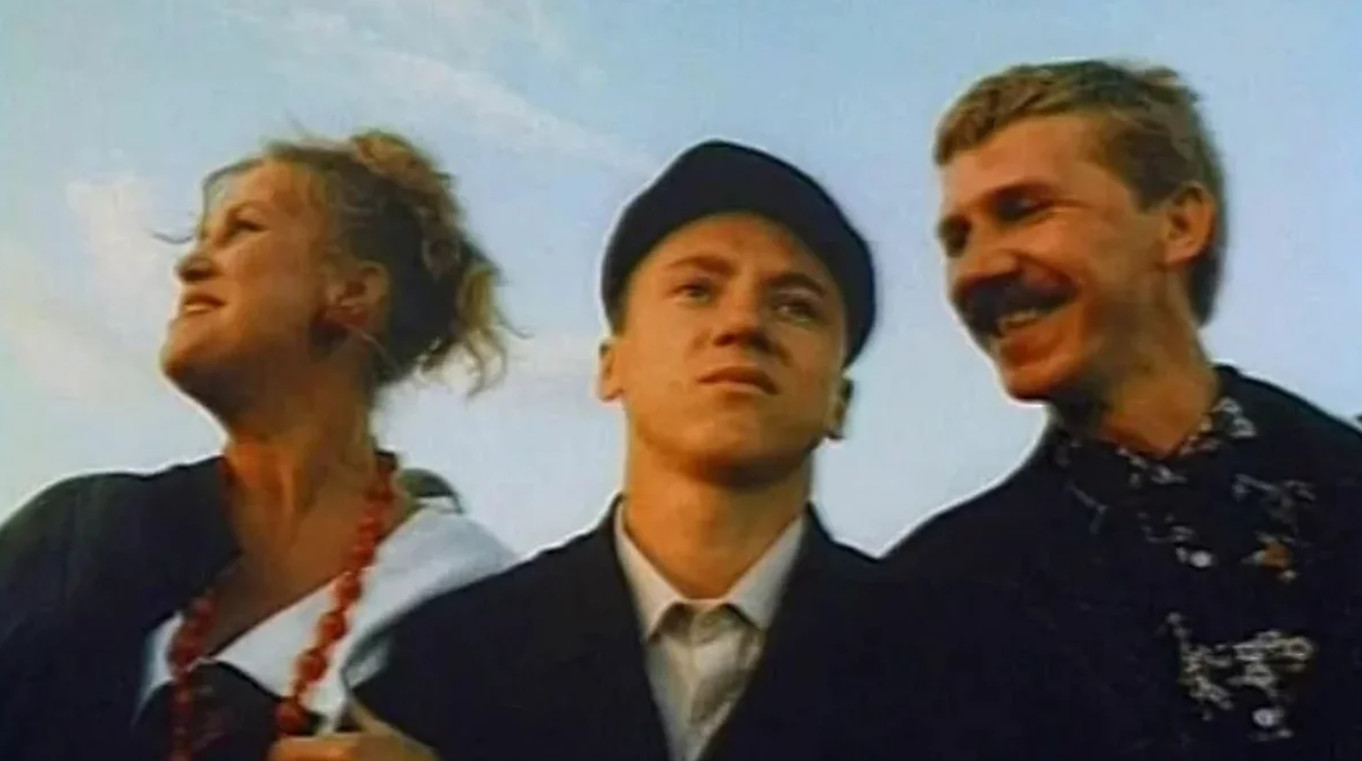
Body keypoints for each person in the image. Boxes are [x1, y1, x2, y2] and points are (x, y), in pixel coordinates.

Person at [882, 59, 1362, 759]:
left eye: (1023, 210)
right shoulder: (929, 603)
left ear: (1179, 224)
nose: (978, 268)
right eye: (959, 240)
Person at [349, 139, 883, 761]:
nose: (741, 324)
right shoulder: (451, 658)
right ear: (611, 365)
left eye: (796, 307)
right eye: (697, 290)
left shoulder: (942, 654)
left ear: (840, 400)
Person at [0, 129, 517, 761]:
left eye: (243, 229)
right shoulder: (74, 538)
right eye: (201, 239)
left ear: (352, 294)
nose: (190, 266)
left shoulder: (479, 601)